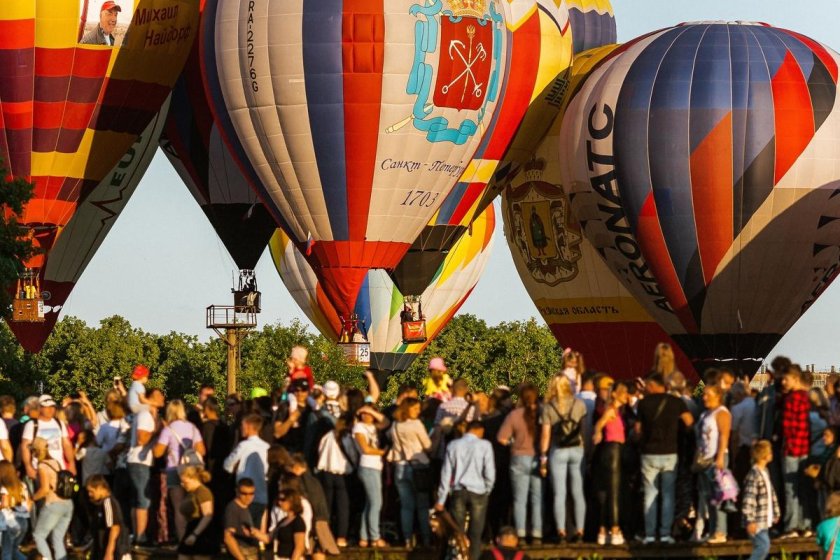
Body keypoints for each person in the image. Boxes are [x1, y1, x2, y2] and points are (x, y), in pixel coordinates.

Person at [635, 372, 694, 544]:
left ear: (652, 385)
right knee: (668, 494)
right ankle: (666, 533)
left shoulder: (644, 403)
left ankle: (650, 534)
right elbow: (689, 421)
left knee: (650, 494)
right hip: (670, 453)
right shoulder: (676, 402)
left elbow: (638, 430)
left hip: (649, 453)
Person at [436, 420, 496, 560]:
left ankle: (459, 557)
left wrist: (441, 499)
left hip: (458, 490)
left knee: (458, 534)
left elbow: (446, 473)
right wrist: (488, 488)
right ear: (480, 431)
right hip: (479, 491)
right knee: (476, 534)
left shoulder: (453, 445)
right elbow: (490, 471)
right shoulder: (485, 445)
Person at [539, 375, 587, 543]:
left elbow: (546, 435)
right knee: (578, 492)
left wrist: (543, 457)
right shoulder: (579, 404)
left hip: (557, 450)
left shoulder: (548, 407)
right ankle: (580, 530)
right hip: (577, 448)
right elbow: (583, 429)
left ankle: (561, 531)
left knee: (559, 493)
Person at [154, 399, 206, 541]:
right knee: (194, 506)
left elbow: (157, 452)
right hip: (191, 472)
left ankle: (182, 539)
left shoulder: (168, 429)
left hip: (173, 469)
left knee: (178, 508)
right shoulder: (192, 427)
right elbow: (202, 450)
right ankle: (195, 537)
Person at [497, 383, 542, 545]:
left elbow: (501, 438)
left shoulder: (514, 415)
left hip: (518, 458)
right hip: (537, 457)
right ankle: (537, 533)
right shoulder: (541, 413)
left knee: (519, 500)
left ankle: (521, 534)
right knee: (537, 498)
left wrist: (513, 443)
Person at [388, 397, 433, 548]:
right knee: (422, 505)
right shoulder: (416, 424)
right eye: (415, 409)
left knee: (406, 506)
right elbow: (427, 445)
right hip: (418, 465)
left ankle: (407, 539)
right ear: (408, 409)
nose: (418, 411)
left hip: (400, 465)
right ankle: (426, 538)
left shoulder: (395, 425)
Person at [592, 380, 629, 545]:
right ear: (615, 394)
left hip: (612, 450)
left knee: (607, 493)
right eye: (624, 392)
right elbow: (599, 424)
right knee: (613, 492)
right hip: (612, 450)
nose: (627, 395)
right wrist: (597, 433)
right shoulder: (611, 410)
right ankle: (614, 528)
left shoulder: (617, 411)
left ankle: (602, 529)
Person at [694, 384, 732, 544]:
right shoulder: (704, 414)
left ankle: (720, 531)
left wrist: (720, 457)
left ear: (717, 396)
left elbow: (724, 435)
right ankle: (712, 530)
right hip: (704, 459)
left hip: (717, 457)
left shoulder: (721, 413)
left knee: (719, 495)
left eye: (708, 394)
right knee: (708, 496)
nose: (704, 397)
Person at [127, 387, 163, 546]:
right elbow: (142, 439)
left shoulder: (149, 415)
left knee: (138, 500)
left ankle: (137, 535)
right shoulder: (145, 415)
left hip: (141, 461)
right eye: (157, 395)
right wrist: (157, 431)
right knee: (142, 500)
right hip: (139, 461)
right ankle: (140, 537)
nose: (162, 397)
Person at [780, 364, 813, 538]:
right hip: (805, 449)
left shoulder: (791, 399)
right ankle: (805, 525)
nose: (783, 382)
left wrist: (788, 446)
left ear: (795, 378)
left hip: (792, 449)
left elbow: (788, 427)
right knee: (803, 489)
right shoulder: (808, 398)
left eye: (786, 378)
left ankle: (792, 526)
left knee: (790, 489)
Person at [31, 437, 74, 560]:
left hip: (54, 504)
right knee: (57, 538)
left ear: (35, 451)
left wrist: (32, 498)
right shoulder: (56, 462)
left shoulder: (42, 466)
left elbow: (44, 490)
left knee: (38, 535)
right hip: (68, 504)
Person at [224, 413, 270, 527]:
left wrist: (235, 467)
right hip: (262, 494)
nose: (241, 429)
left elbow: (227, 465)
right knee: (256, 529)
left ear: (248, 426)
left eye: (242, 426)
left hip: (245, 495)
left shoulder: (244, 445)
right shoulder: (266, 446)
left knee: (243, 529)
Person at [353, 405, 387, 548]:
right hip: (368, 467)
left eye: (369, 414)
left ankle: (364, 537)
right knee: (376, 503)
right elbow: (365, 449)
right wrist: (383, 453)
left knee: (370, 503)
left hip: (376, 467)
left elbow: (386, 422)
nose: (366, 416)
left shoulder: (374, 427)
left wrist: (372, 410)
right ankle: (375, 536)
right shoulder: (358, 427)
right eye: (364, 414)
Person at [316, 417, 353, 547]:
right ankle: (341, 537)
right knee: (343, 506)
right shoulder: (347, 437)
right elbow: (352, 454)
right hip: (342, 474)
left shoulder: (327, 436)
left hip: (326, 472)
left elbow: (320, 451)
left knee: (327, 506)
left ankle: (326, 535)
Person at [20, 395, 76, 481]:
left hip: (59, 468)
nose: (50, 409)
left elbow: (66, 444)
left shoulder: (59, 423)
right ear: (40, 408)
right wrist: (28, 467)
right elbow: (25, 447)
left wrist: (71, 464)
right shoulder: (31, 425)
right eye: (47, 407)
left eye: (52, 406)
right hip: (39, 469)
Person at [742, 441, 780, 560]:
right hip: (756, 520)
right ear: (764, 455)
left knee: (764, 546)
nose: (772, 454)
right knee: (763, 546)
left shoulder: (765, 472)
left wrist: (775, 511)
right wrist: (750, 519)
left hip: (764, 519)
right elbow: (749, 498)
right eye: (770, 452)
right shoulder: (754, 474)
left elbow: (771, 493)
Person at [86, 475, 130, 560]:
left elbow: (114, 528)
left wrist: (109, 552)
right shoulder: (100, 504)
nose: (89, 494)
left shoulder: (108, 503)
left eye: (91, 491)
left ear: (100, 488)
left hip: (116, 550)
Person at [177, 466, 216, 560]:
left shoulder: (203, 492)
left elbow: (208, 515)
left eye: (185, 482)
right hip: (191, 528)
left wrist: (195, 534)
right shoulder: (191, 492)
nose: (182, 484)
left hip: (201, 532)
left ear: (194, 479)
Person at [224, 478, 266, 560]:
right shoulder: (232, 509)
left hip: (252, 552)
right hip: (243, 553)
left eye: (251, 494)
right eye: (244, 493)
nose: (248, 497)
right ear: (237, 491)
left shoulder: (247, 507)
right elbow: (228, 538)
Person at [0, 460, 31, 560]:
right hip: (24, 522)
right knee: (13, 549)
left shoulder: (5, 488)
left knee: (6, 552)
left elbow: (5, 504)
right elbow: (28, 503)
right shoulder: (22, 485)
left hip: (11, 523)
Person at [269, 489, 307, 560]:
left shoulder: (298, 522)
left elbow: (299, 547)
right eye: (279, 499)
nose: (280, 502)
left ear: (292, 501)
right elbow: (269, 538)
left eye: (283, 500)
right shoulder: (282, 521)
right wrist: (254, 532)